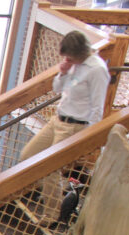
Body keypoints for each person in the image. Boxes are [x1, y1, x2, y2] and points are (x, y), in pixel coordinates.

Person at [19, 30, 109, 224]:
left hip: (75, 127)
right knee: (28, 155)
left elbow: (97, 108)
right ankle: (52, 191)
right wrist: (62, 72)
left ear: (80, 53)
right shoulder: (73, 65)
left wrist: (90, 138)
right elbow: (58, 89)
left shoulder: (97, 70)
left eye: (70, 56)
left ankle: (52, 214)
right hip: (57, 120)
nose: (67, 58)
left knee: (49, 167)